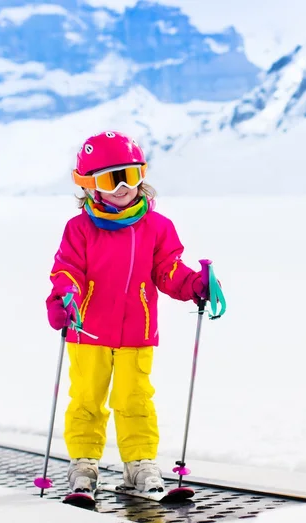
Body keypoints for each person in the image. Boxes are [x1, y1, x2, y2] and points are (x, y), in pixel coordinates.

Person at [46, 130, 214, 495]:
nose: (122, 186)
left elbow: (168, 270)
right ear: (90, 185)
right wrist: (64, 296)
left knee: (134, 399)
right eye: (110, 178)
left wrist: (194, 284)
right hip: (87, 330)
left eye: (130, 175)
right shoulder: (80, 229)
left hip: (136, 333)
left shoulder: (157, 227)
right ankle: (84, 464)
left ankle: (139, 464)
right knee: (87, 400)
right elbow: (67, 271)